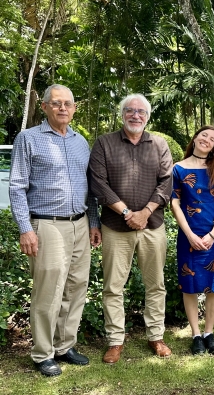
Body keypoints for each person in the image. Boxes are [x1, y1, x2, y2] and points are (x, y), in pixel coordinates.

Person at [9, 84, 101, 377]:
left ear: (74, 109)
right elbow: (17, 187)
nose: (63, 108)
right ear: (45, 106)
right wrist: (26, 229)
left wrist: (94, 222)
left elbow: (90, 188)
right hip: (46, 224)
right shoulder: (28, 138)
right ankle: (43, 353)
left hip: (80, 224)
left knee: (76, 287)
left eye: (68, 104)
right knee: (48, 292)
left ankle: (64, 345)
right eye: (57, 103)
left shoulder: (80, 142)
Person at [88, 94, 173, 363]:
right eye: (130, 110)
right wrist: (127, 213)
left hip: (152, 226)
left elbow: (166, 182)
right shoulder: (104, 143)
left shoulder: (159, 144)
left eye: (141, 111)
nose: (135, 115)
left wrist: (145, 212)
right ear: (122, 114)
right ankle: (115, 341)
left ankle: (156, 336)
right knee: (113, 287)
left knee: (156, 284)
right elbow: (98, 183)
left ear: (147, 116)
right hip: (115, 226)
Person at [171, 126, 214, 355]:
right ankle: (196, 334)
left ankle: (209, 332)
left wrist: (213, 233)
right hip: (189, 236)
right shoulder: (178, 168)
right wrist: (189, 235)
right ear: (195, 138)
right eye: (204, 135)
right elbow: (174, 203)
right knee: (190, 285)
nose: (207, 140)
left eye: (212, 139)